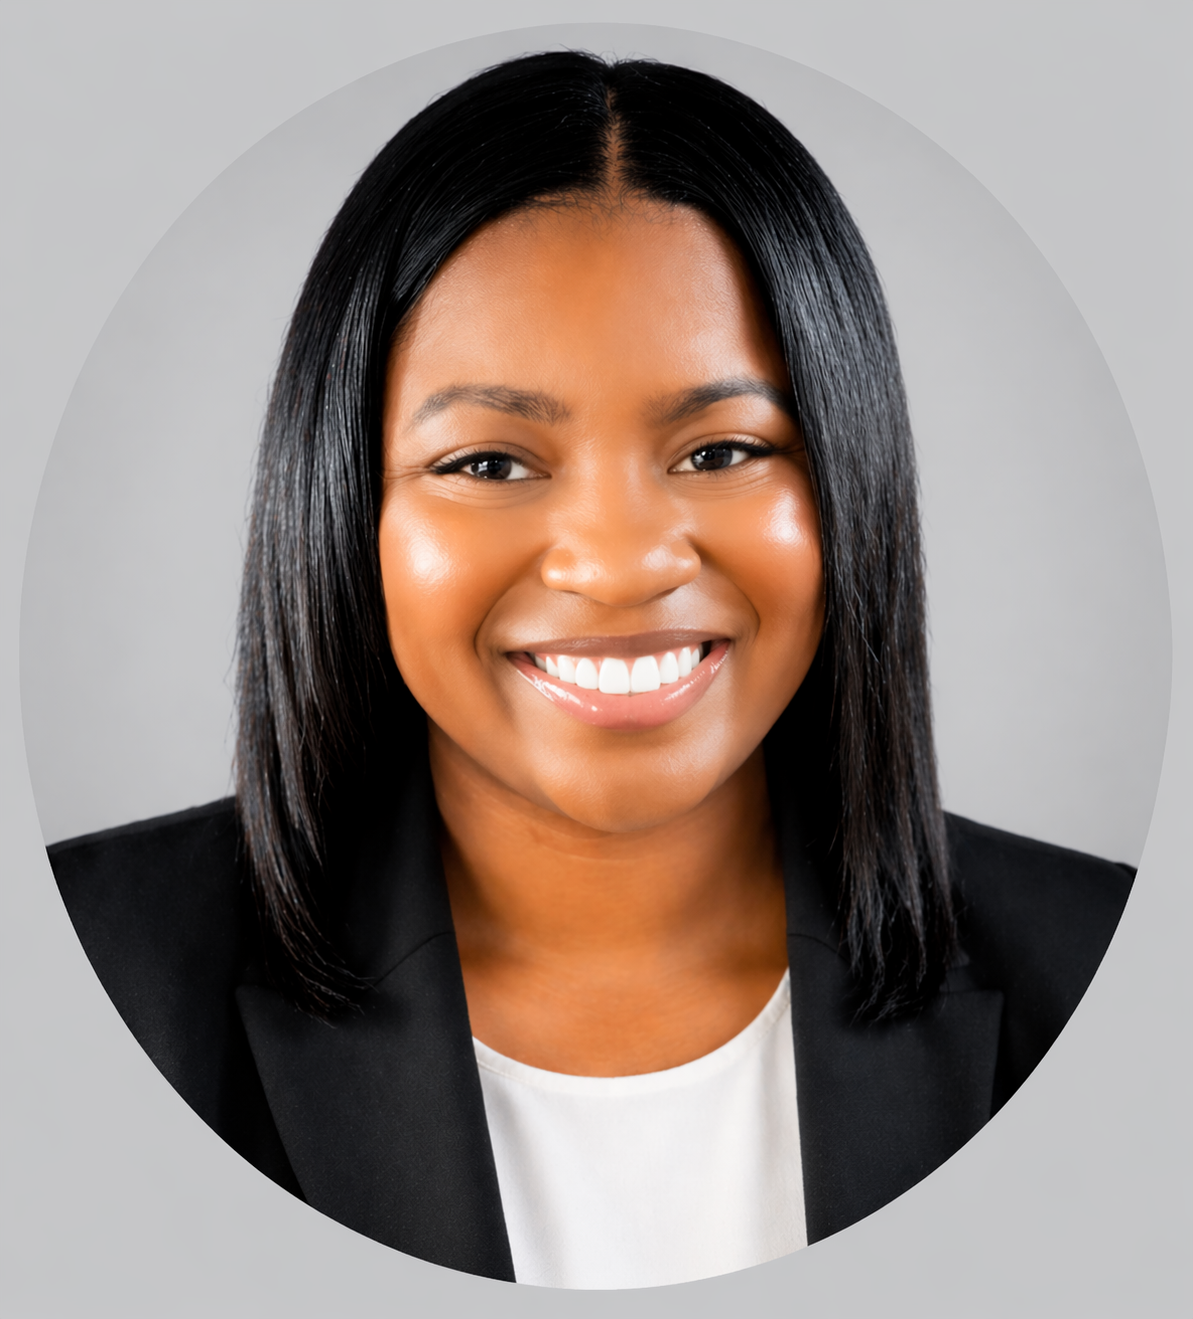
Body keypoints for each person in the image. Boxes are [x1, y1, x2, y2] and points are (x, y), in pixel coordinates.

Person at [47, 51, 1133, 1289]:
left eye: (721, 447)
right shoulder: (73, 982)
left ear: (850, 485)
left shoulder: (1125, 982)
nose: (618, 565)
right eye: (489, 463)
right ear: (346, 510)